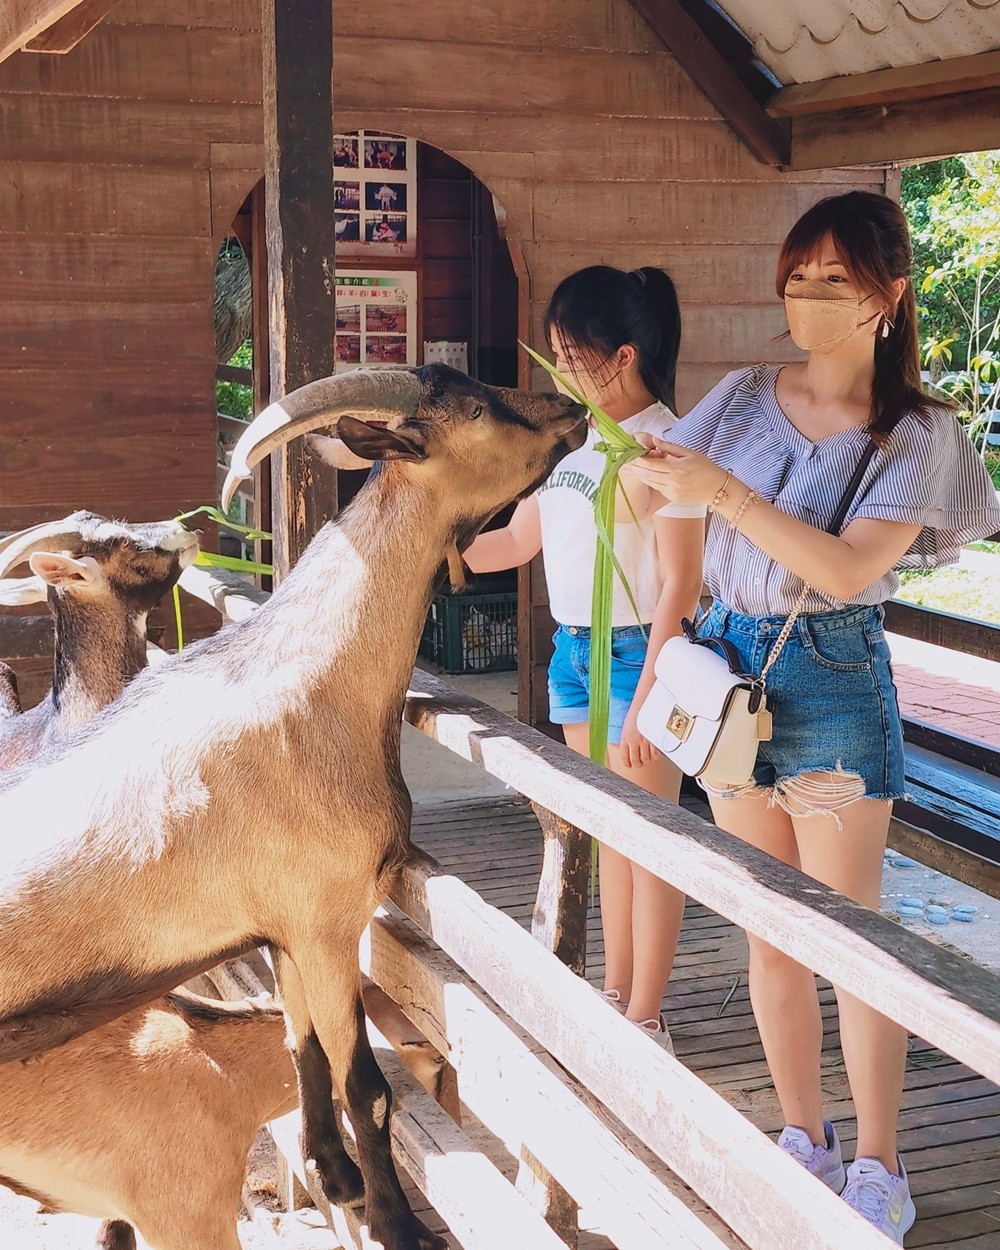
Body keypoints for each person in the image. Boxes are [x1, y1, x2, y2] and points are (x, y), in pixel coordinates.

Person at [622, 190, 1000, 1242]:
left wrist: (724, 494)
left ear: (890, 295)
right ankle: (801, 1133)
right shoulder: (743, 394)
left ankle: (881, 1163)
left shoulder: (917, 432)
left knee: (851, 935)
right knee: (769, 927)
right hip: (728, 675)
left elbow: (844, 567)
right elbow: (671, 515)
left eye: (832, 280)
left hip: (833, 680)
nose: (806, 298)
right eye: (796, 277)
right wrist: (660, 659)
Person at [463, 265, 705, 1050]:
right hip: (572, 654)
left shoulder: (672, 445)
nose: (560, 371)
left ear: (623, 356)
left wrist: (646, 699)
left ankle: (648, 1015)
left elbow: (680, 583)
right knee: (605, 834)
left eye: (572, 356)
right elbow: (519, 540)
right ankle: (616, 992)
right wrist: (441, 546)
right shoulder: (575, 442)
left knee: (649, 840)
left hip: (642, 658)